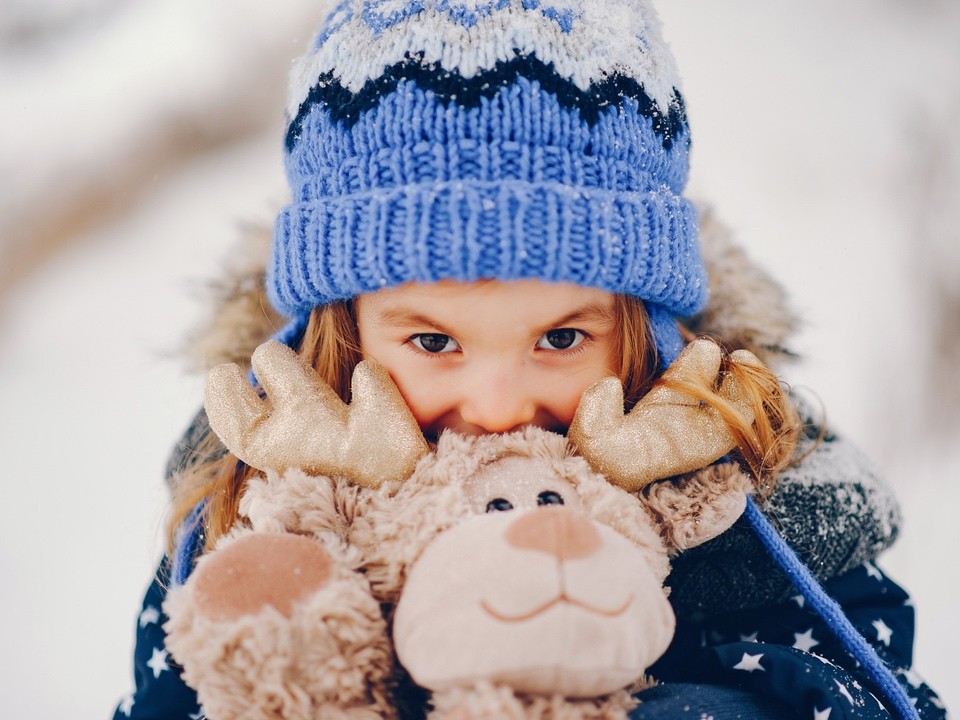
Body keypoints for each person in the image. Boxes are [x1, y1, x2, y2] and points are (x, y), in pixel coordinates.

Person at [112, 1, 946, 718]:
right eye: (435, 343)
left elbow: (862, 685)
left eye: (561, 339)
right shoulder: (251, 514)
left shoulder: (752, 490)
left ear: (646, 326)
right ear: (339, 330)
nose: (500, 402)